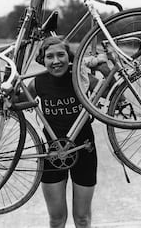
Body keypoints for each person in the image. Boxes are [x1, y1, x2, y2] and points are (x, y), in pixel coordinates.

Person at [19, 35, 101, 228]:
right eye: (50, 56)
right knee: (56, 220)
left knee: (82, 219)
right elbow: (18, 102)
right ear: (43, 60)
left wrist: (102, 66)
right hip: (52, 153)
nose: (56, 61)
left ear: (69, 56)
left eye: (61, 55)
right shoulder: (38, 82)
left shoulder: (80, 77)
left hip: (84, 150)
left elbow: (114, 93)